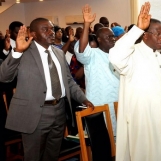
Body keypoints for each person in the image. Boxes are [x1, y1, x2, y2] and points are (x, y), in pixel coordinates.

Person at [0, 18, 94, 161]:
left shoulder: (59, 53)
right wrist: (18, 50)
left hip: (59, 110)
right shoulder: (23, 53)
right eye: (45, 29)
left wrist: (83, 98)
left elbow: (68, 81)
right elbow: (4, 77)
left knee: (52, 155)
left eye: (51, 29)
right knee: (34, 156)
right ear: (33, 34)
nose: (51, 32)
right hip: (36, 112)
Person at [109, 2, 161, 160]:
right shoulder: (132, 53)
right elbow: (115, 57)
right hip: (142, 121)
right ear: (144, 35)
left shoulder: (158, 55)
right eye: (157, 34)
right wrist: (137, 29)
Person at [75, 5, 119, 136]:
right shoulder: (92, 55)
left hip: (118, 104)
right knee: (102, 143)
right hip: (100, 104)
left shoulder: (118, 55)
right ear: (98, 39)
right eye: (108, 37)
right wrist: (86, 25)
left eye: (113, 36)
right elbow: (82, 50)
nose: (113, 39)